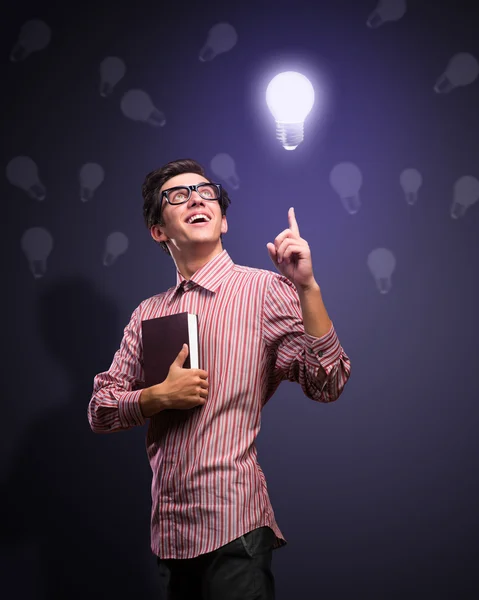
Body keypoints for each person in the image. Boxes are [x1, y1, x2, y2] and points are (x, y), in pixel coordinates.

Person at [87, 158, 352, 600]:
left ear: (223, 220)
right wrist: (156, 396)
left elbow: (329, 383)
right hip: (169, 534)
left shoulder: (265, 291)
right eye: (177, 195)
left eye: (205, 192)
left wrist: (308, 288)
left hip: (235, 527)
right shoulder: (147, 314)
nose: (194, 197)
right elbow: (100, 410)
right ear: (158, 230)